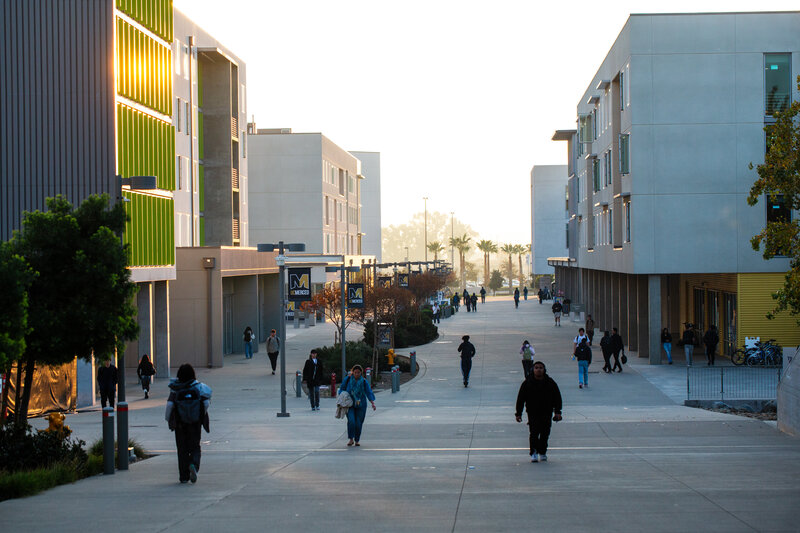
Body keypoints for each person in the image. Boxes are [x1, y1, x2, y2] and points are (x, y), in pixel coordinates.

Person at [165, 363, 212, 484]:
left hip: (180, 424)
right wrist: (200, 415)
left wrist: (169, 419)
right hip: (195, 423)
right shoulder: (198, 387)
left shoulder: (175, 388)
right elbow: (206, 403)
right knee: (195, 446)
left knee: (182, 449)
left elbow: (170, 405)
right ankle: (194, 465)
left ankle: (184, 476)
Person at [515, 361, 562, 463]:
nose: (539, 370)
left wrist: (558, 412)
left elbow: (557, 397)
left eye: (541, 368)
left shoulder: (550, 382)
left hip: (546, 411)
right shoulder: (527, 383)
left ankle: (543, 452)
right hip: (533, 412)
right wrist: (518, 413)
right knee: (534, 433)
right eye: (536, 368)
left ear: (544, 370)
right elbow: (521, 399)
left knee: (545, 433)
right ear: (533, 370)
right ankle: (534, 452)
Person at [338, 365, 376, 446]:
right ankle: (351, 439)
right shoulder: (347, 379)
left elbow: (368, 392)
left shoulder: (364, 381)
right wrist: (342, 396)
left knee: (358, 423)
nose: (357, 374)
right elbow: (341, 389)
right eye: (355, 372)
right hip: (350, 404)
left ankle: (357, 440)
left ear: (361, 373)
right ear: (352, 372)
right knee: (351, 421)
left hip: (361, 404)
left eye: (358, 373)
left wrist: (372, 403)